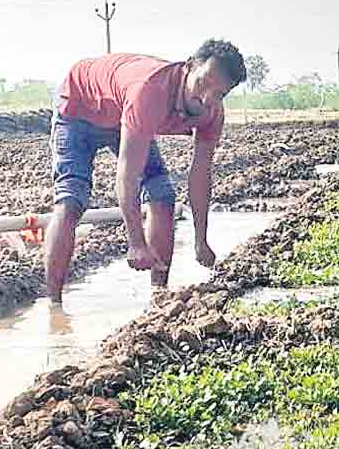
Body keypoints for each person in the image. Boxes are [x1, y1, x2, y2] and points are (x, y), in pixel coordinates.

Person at [44, 39, 247, 305]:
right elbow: (128, 174)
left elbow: (200, 175)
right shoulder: (150, 91)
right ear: (189, 66)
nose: (207, 98)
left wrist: (201, 240)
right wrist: (136, 242)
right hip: (79, 106)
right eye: (203, 82)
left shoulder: (212, 113)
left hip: (124, 113)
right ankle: (54, 305)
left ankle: (158, 298)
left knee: (162, 195)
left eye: (219, 94)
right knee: (71, 200)